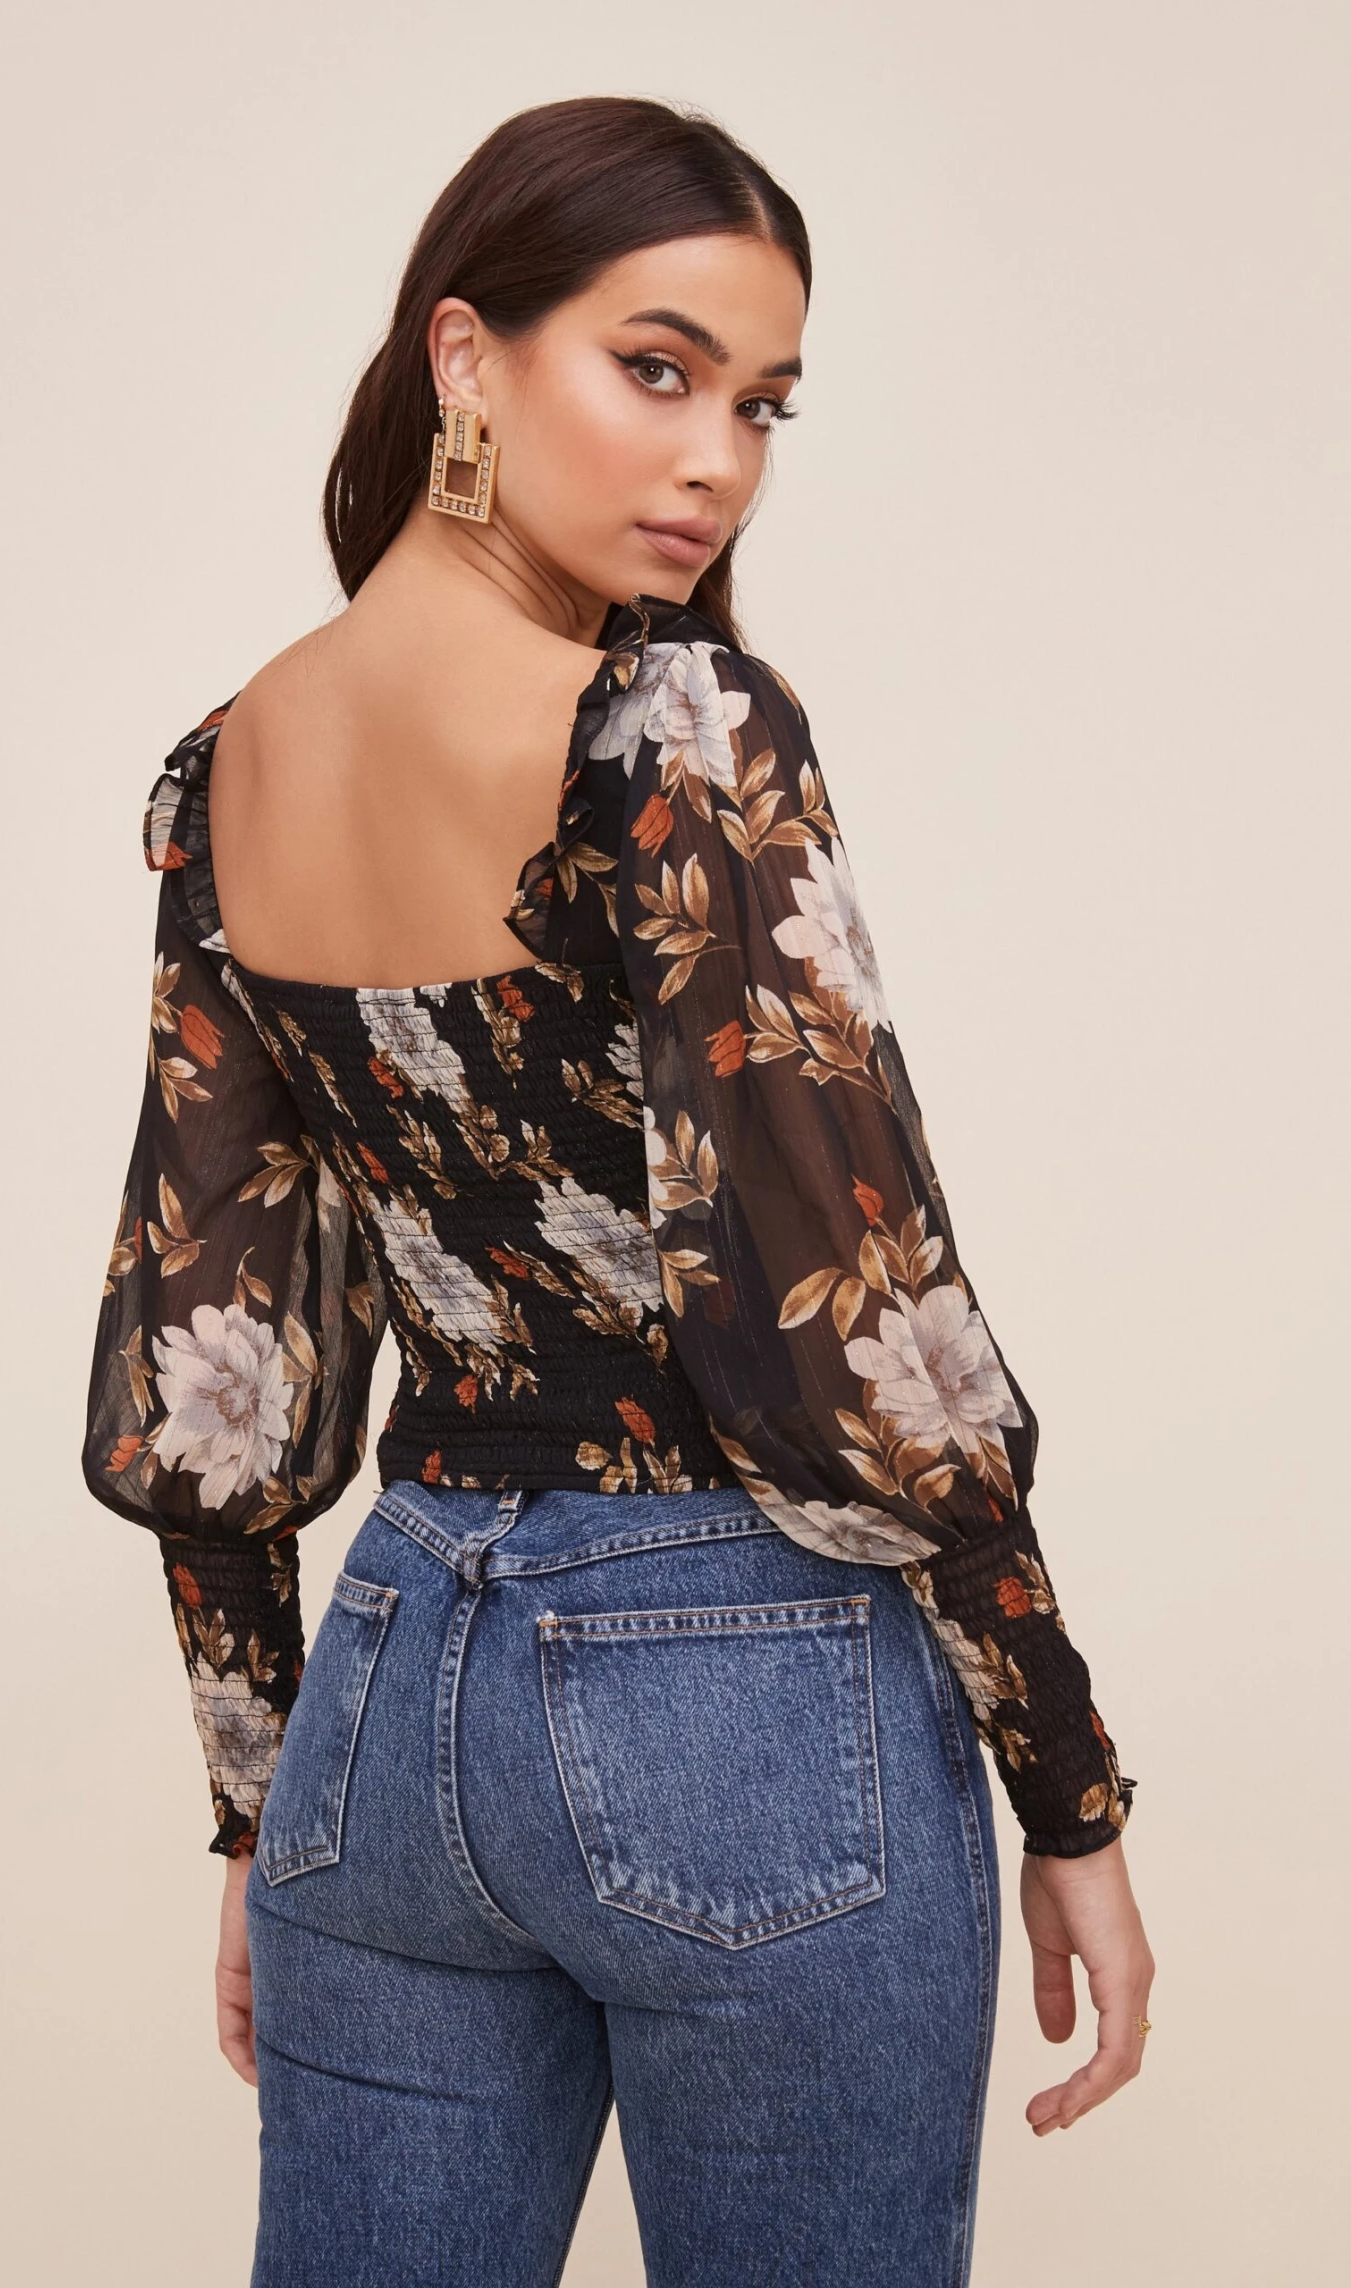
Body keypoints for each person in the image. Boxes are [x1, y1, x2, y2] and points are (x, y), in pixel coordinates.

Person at [83, 94, 1154, 2288]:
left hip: (393, 1691)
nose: (717, 459)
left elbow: (214, 1359)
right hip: (739, 1683)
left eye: (760, 404)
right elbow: (871, 1318)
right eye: (656, 369)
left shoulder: (223, 769)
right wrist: (1067, 1786)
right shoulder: (677, 730)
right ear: (465, 357)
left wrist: (264, 1800)